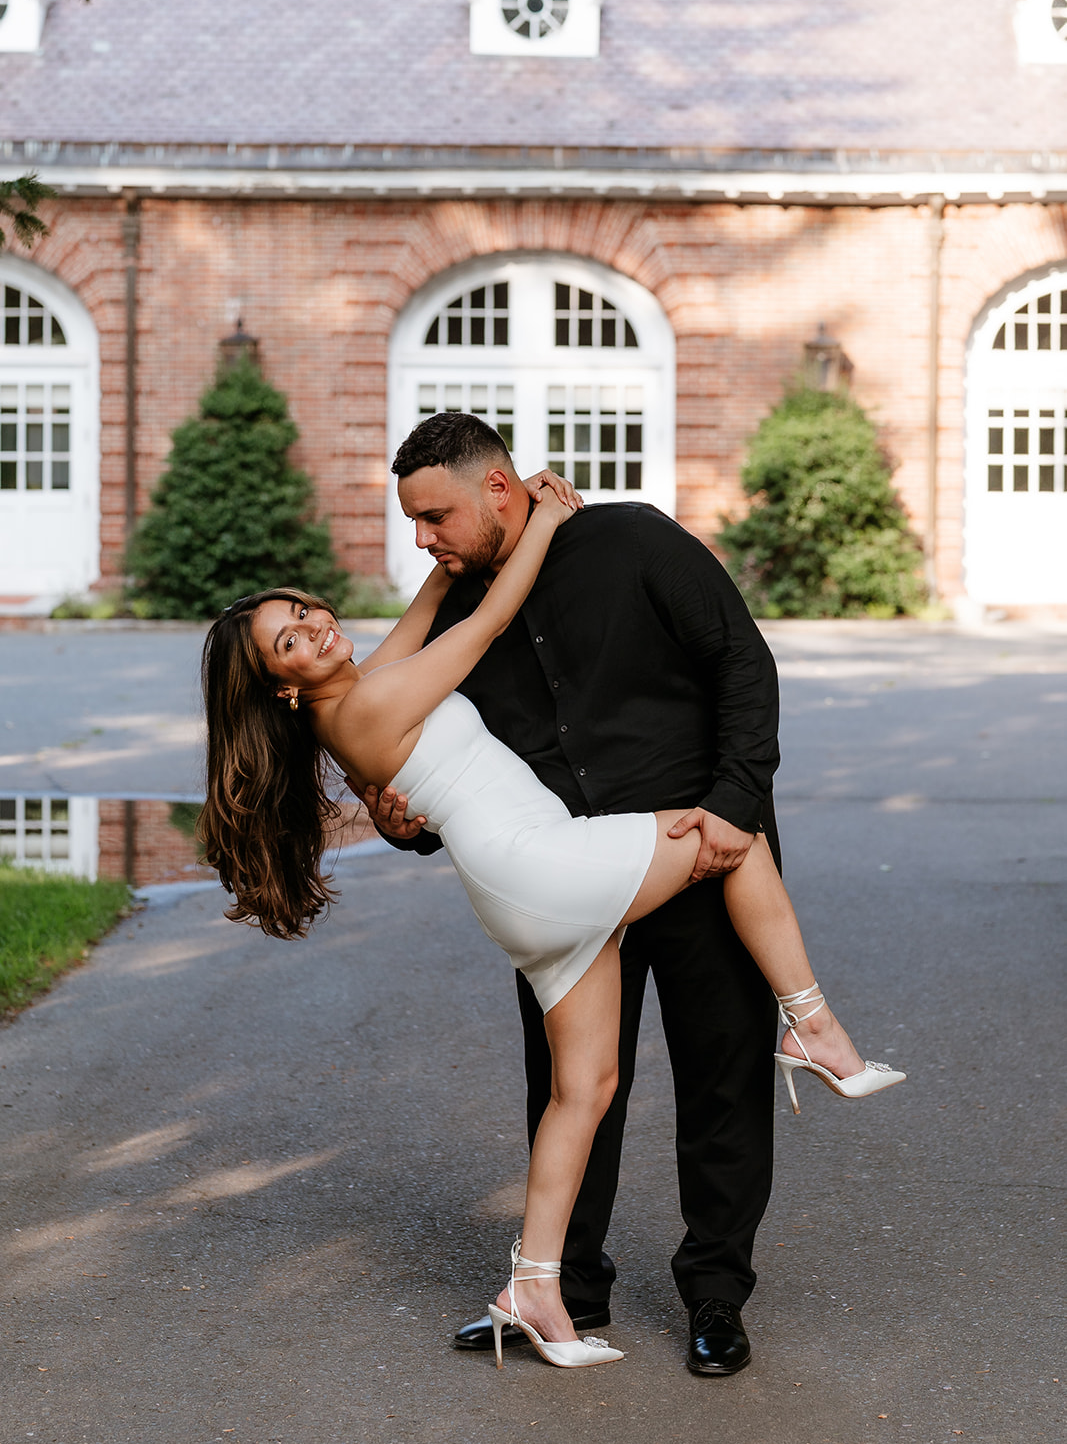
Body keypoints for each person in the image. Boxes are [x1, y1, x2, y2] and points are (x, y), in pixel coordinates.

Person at [199, 451, 904, 1373]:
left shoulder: (626, 543)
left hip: (547, 879)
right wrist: (536, 525)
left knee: (618, 1086)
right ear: (282, 686)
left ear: (491, 487)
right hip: (556, 866)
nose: (423, 541)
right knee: (729, 847)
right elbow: (479, 641)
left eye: (433, 518)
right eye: (289, 638)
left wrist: (735, 786)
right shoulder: (394, 673)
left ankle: (577, 1291)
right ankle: (810, 1028)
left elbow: (740, 659)